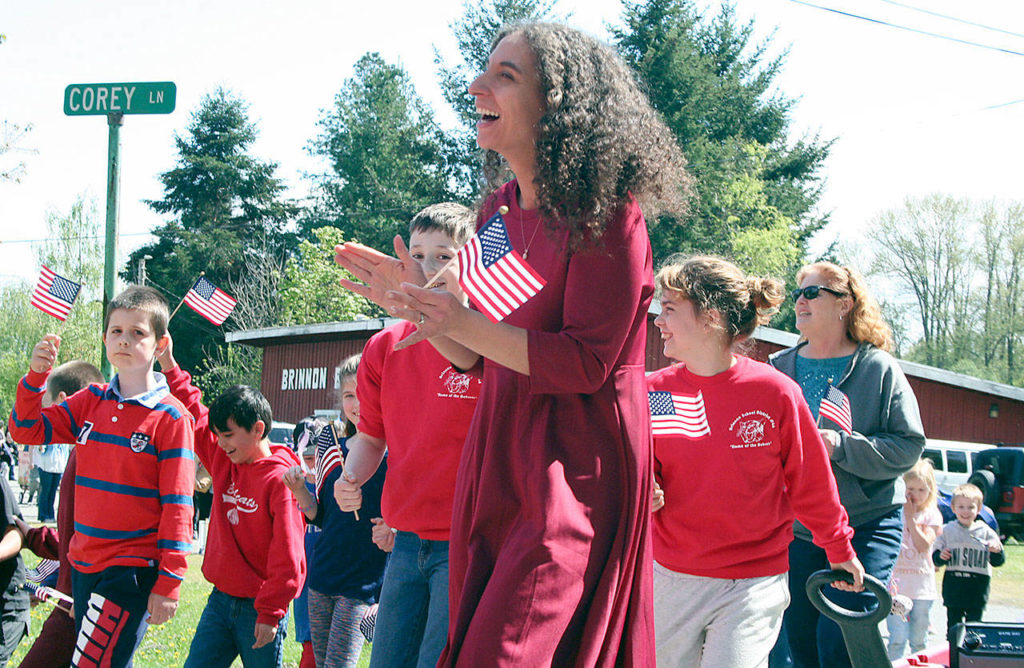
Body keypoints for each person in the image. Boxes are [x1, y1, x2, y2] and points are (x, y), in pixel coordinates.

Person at [335, 21, 689, 664]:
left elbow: (585, 363)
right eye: (484, 70)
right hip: (499, 454)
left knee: (508, 649)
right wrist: (413, 308)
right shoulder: (501, 210)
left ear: (560, 104)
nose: (476, 87)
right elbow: (472, 350)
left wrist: (447, 317)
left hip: (574, 468)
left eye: (505, 75)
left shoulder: (605, 212)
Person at [647, 256, 863, 668]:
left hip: (752, 582)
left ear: (709, 318)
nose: (659, 320)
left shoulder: (775, 393)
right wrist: (646, 487)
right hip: (670, 577)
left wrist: (838, 547)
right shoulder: (652, 391)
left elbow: (811, 482)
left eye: (670, 309)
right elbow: (642, 466)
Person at [8, 286, 195, 668]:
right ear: (105, 337)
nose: (124, 340)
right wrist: (35, 377)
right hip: (82, 566)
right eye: (116, 331)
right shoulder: (90, 400)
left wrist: (170, 582)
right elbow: (26, 431)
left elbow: (178, 506)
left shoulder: (172, 418)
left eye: (138, 332)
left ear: (160, 344)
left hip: (131, 571)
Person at [332, 203, 480, 668]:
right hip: (405, 542)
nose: (427, 268)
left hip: (468, 541)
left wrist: (427, 317)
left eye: (443, 256)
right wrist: (349, 477)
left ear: (471, 262)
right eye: (416, 255)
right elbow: (371, 436)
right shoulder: (383, 346)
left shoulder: (489, 339)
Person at [768, 262, 926, 668]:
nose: (800, 301)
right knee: (800, 641)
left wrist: (840, 445)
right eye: (799, 292)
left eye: (813, 293)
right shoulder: (778, 368)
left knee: (838, 636)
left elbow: (908, 446)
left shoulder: (878, 368)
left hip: (867, 523)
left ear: (845, 305)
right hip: (799, 530)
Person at [157, 336, 306, 668]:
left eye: (228, 435)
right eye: (218, 436)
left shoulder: (282, 481)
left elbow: (289, 557)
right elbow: (195, 411)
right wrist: (168, 362)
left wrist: (270, 613)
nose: (220, 444)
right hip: (219, 603)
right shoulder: (225, 458)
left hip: (261, 610)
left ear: (257, 429)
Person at [285, 355, 387, 668]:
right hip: (323, 574)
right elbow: (321, 516)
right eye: (348, 395)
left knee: (338, 665)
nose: (357, 403)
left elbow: (401, 514)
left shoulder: (391, 450)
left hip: (362, 581)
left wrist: (393, 525)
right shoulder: (332, 449)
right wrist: (301, 490)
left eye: (365, 392)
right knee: (318, 661)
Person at [17, 360, 104, 668]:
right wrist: (33, 537)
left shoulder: (95, 459)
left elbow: (98, 537)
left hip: (86, 601)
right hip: (75, 596)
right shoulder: (79, 452)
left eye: (47, 406)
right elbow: (72, 535)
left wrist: (81, 595)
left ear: (66, 402)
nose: (44, 415)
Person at [886, 458, 943, 660]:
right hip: (896, 587)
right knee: (897, 638)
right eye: (911, 489)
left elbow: (923, 545)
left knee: (919, 640)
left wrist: (911, 518)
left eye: (921, 490)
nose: (915, 495)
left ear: (930, 490)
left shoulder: (931, 515)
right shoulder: (893, 512)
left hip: (921, 587)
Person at [932, 483, 1004, 641]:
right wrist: (941, 556)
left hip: (977, 588)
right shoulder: (947, 530)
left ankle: (971, 660)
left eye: (971, 507)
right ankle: (954, 657)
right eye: (961, 507)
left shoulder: (986, 531)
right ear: (953, 508)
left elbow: (998, 561)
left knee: (974, 629)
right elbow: (934, 557)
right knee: (953, 628)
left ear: (978, 509)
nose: (966, 511)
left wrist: (996, 550)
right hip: (954, 587)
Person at [35, 441, 69, 523]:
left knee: (53, 493)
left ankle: (51, 515)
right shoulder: (49, 437)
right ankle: (43, 515)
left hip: (58, 468)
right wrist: (40, 447)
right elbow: (40, 450)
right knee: (45, 492)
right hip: (46, 467)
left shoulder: (64, 442)